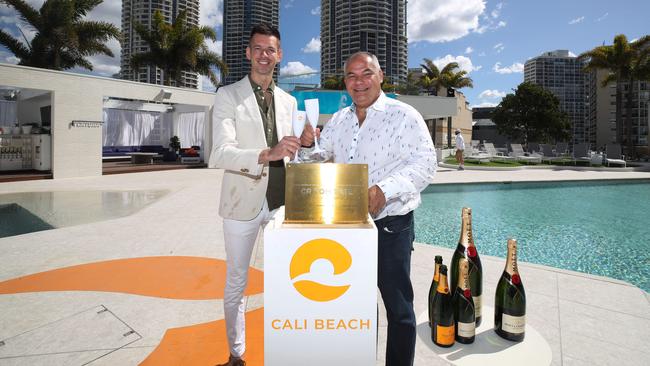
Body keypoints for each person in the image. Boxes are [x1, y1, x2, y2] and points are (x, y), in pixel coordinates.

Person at [304, 51, 437, 366]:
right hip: (349, 227)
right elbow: (321, 158)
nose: (358, 82)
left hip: (391, 226)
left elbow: (426, 164)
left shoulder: (404, 115)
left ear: (381, 77)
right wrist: (310, 144)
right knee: (359, 307)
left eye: (366, 73)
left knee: (399, 309)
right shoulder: (339, 119)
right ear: (345, 83)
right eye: (351, 76)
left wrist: (384, 190)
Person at [209, 23, 308, 366]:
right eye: (258, 49)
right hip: (242, 203)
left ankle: (285, 353)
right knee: (237, 284)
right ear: (248, 53)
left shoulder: (290, 101)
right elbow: (219, 153)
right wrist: (267, 153)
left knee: (286, 282)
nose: (264, 56)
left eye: (271, 50)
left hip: (283, 205)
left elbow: (295, 153)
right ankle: (236, 355)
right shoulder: (227, 95)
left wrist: (307, 143)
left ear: (279, 56)